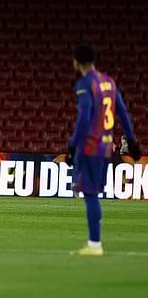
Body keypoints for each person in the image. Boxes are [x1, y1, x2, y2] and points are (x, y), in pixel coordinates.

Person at [66, 44, 141, 257]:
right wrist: (132, 141)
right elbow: (123, 112)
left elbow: (84, 117)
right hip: (106, 146)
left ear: (76, 62)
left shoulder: (84, 84)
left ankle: (94, 244)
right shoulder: (108, 82)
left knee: (89, 194)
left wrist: (72, 146)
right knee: (93, 193)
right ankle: (94, 242)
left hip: (89, 145)